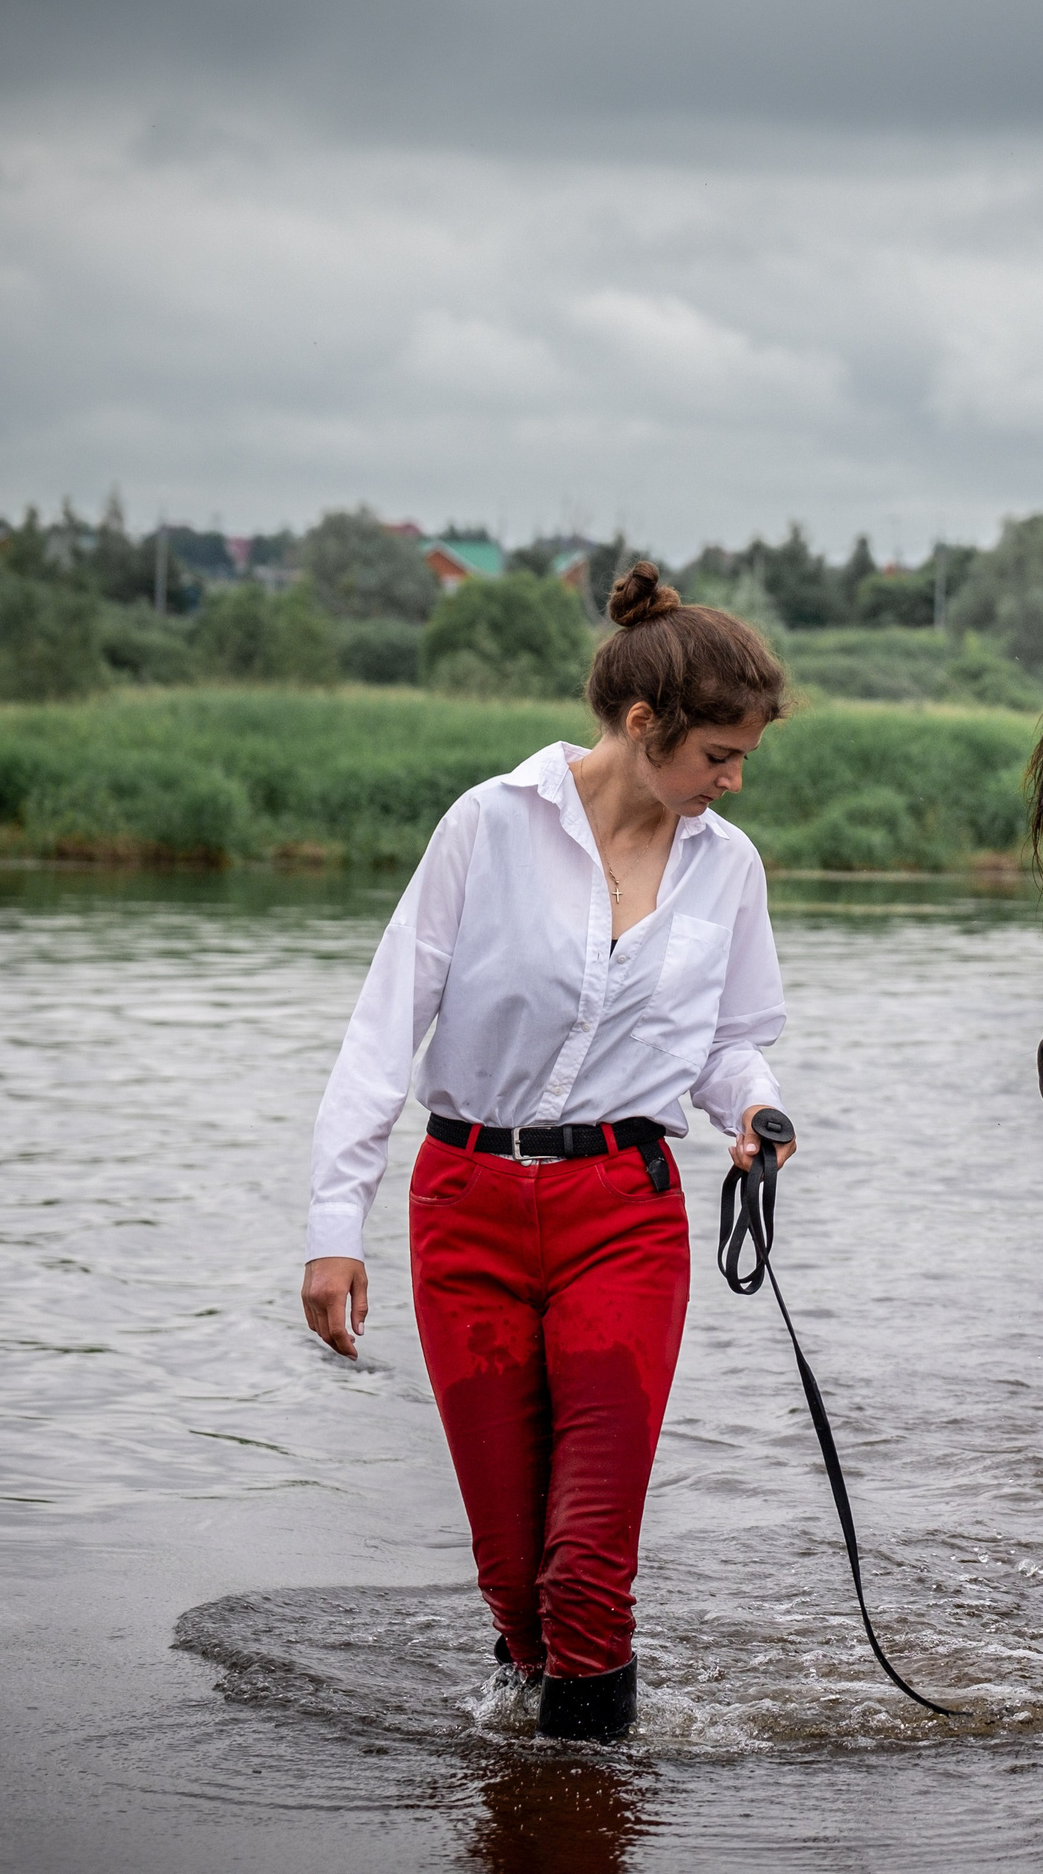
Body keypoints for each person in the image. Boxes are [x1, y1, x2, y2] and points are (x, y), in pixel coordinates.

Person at [301, 561, 796, 1743]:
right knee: (512, 1570)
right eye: (716, 756)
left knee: (584, 1566)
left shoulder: (728, 867)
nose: (730, 781)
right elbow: (382, 1034)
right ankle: (532, 1808)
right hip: (463, 1205)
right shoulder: (488, 826)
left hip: (622, 1215)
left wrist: (756, 1111)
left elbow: (727, 1044)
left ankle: (588, 1789)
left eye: (741, 760)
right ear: (642, 727)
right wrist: (334, 1230)